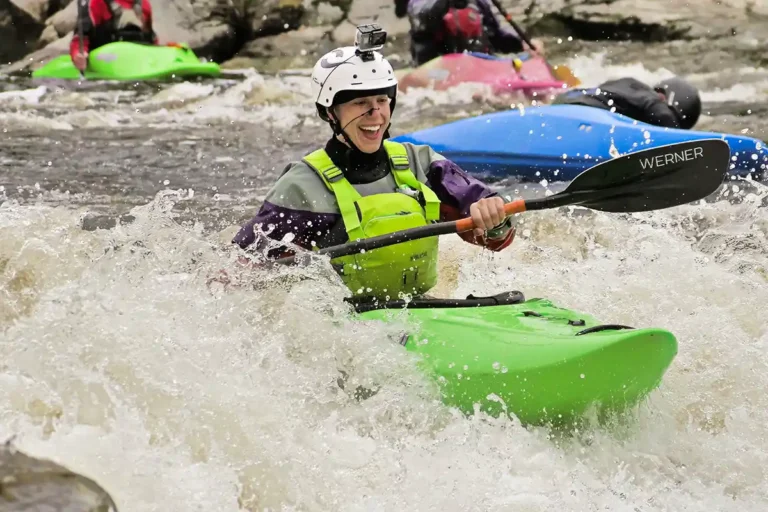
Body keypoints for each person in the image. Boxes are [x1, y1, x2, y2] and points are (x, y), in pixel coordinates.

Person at [232, 25, 516, 303]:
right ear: (330, 113)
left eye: (382, 100)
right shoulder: (301, 186)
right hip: (343, 322)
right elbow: (242, 269)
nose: (376, 114)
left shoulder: (422, 163)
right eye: (360, 103)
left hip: (420, 307)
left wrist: (495, 218)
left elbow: (494, 238)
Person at [403, 0, 543, 66]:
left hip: (479, 66)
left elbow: (496, 36)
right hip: (437, 72)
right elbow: (424, 16)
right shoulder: (418, 3)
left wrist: (522, 44)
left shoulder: (478, 2)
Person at [552, 76, 702, 129]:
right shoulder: (652, 100)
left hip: (560, 104)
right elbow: (663, 115)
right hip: (582, 113)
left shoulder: (628, 84)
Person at [70, 0, 158, 72]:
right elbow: (80, 38)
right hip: (104, 64)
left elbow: (151, 38)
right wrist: (78, 55)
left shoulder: (144, 5)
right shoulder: (96, 3)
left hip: (137, 64)